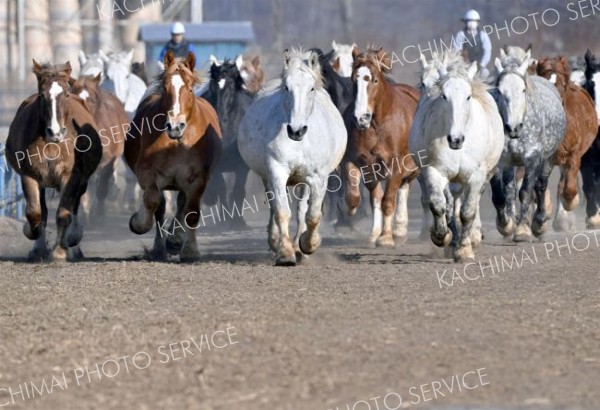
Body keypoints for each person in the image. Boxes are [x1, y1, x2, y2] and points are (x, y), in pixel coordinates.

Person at [453, 9, 492, 79]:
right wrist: (463, 65)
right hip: (464, 67)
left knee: (487, 76)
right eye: (469, 21)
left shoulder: (483, 35)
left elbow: (487, 52)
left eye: (473, 21)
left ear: (477, 22)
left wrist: (481, 65)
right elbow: (457, 51)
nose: (471, 23)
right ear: (465, 22)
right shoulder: (460, 35)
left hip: (479, 67)